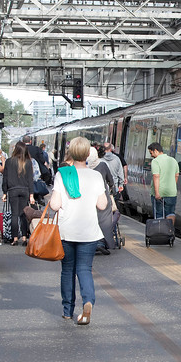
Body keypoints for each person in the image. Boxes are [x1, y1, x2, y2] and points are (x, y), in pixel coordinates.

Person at [49, 136, 108, 325]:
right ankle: (88, 301)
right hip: (89, 232)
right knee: (84, 269)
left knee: (67, 270)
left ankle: (67, 310)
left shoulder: (62, 174)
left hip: (67, 230)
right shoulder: (96, 176)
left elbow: (55, 205)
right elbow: (102, 204)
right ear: (88, 154)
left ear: (71, 153)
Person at [1, 142, 35, 246]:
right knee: (23, 214)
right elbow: (30, 180)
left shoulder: (9, 162)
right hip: (24, 190)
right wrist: (31, 195)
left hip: (13, 190)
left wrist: (4, 193)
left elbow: (5, 179)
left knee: (14, 214)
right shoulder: (28, 162)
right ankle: (24, 238)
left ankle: (14, 238)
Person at [147, 142, 179, 224]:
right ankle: (170, 231)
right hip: (171, 193)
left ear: (156, 151)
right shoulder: (173, 160)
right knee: (171, 212)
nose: (151, 155)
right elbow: (176, 175)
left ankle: (160, 233)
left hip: (160, 193)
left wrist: (157, 193)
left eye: (151, 153)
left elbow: (156, 176)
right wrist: (172, 186)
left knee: (159, 214)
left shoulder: (156, 161)